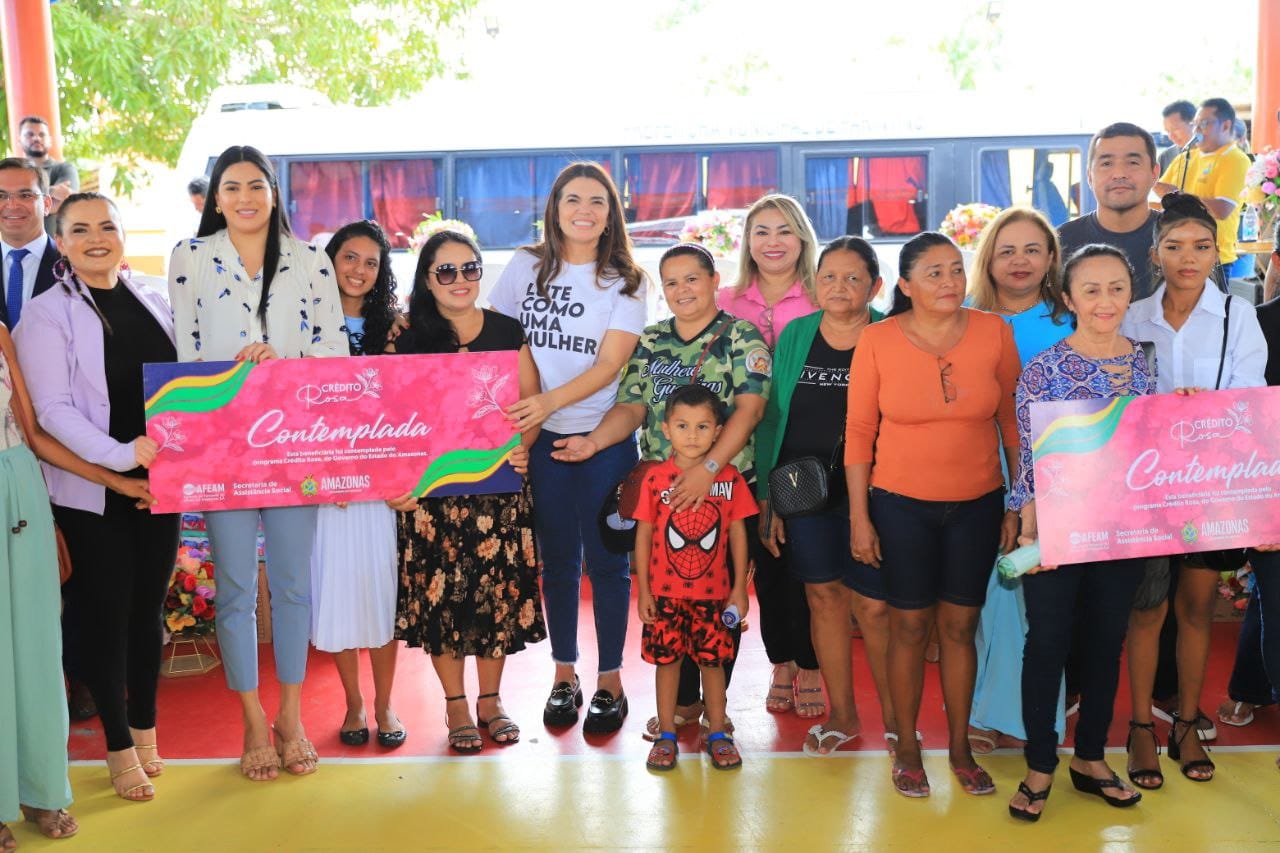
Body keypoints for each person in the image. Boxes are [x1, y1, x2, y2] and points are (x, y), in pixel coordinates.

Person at [168, 145, 347, 781]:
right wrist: (230, 375)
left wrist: (285, 369)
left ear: (273, 193)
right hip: (224, 446)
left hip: (295, 442)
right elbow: (183, 356)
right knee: (238, 588)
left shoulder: (310, 260)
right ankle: (251, 719)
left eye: (256, 186)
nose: (245, 197)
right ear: (214, 197)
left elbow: (334, 354)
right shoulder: (190, 258)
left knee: (295, 585)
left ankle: (291, 716)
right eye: (232, 186)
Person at [552, 241, 770, 740]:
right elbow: (631, 409)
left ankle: (712, 708)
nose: (681, 290)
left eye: (692, 278)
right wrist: (593, 442)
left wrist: (710, 466)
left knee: (717, 604)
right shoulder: (649, 341)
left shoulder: (741, 336)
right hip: (665, 499)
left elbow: (750, 409)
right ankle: (684, 704)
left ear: (715, 282)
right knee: (673, 599)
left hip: (724, 493)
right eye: (670, 282)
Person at [14, 193, 179, 803]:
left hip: (159, 485)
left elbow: (190, 384)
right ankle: (115, 743)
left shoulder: (155, 297)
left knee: (148, 613)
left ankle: (145, 727)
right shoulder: (45, 315)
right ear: (60, 242)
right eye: (79, 230)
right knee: (107, 618)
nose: (96, 237)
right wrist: (121, 457)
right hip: (93, 491)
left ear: (122, 233)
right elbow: (51, 412)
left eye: (107, 225)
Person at [845, 231, 1020, 798]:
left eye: (955, 269)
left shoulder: (996, 332)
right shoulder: (876, 340)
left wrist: (1018, 503)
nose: (949, 281)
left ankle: (962, 749)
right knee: (910, 626)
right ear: (905, 285)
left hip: (978, 504)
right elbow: (858, 435)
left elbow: (1013, 427)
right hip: (898, 506)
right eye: (934, 273)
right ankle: (907, 746)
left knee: (961, 627)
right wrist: (859, 518)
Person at [487, 162, 646, 735]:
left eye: (597, 201)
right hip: (540, 436)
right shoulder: (525, 266)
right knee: (557, 563)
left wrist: (550, 405)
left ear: (611, 213)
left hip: (603, 438)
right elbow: (499, 343)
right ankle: (564, 676)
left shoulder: (627, 279)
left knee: (608, 564)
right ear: (554, 207)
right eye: (572, 198)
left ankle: (610, 681)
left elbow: (610, 366)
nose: (584, 209)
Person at [1120, 192, 1267, 786]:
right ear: (1156, 254)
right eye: (1175, 246)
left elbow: (1249, 401)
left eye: (1201, 247)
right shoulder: (1131, 315)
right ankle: (1138, 729)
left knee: (1196, 608)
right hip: (1145, 488)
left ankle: (1184, 722)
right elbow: (1117, 396)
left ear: (1215, 253)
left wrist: (1202, 411)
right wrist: (1158, 412)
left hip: (1208, 486)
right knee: (1147, 610)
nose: (1189, 257)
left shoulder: (1238, 316)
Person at [1005, 244, 1152, 821]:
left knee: (1104, 644)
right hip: (1058, 535)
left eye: (1116, 287)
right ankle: (1041, 764)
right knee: (1046, 645)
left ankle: (1091, 758)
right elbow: (1032, 463)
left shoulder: (1142, 362)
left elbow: (1148, 448)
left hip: (1122, 533)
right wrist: (1029, 538)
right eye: (1090, 289)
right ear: (1067, 299)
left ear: (1130, 292)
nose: (1104, 300)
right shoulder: (1044, 368)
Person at [0, 321, 155, 843]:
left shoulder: (0, 333)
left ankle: (41, 788)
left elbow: (36, 436)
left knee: (39, 649)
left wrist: (116, 481)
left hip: (20, 493)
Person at [390, 229, 544, 751]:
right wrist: (398, 482)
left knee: (494, 597)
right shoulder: (406, 335)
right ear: (427, 279)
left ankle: (491, 700)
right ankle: (456, 704)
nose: (460, 280)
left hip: (497, 492)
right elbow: (387, 418)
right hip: (432, 500)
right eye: (447, 271)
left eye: (470, 268)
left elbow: (531, 403)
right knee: (442, 601)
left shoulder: (506, 329)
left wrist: (523, 446)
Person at [755, 236, 895, 755]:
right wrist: (771, 501)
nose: (840, 287)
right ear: (815, 284)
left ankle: (898, 720)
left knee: (875, 608)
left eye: (854, 277)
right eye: (829, 276)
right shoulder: (796, 335)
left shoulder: (890, 332)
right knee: (823, 597)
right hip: (802, 492)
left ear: (874, 286)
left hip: (876, 492)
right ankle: (843, 714)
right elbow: (772, 421)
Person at [964, 207, 1072, 756]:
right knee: (986, 599)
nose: (1020, 260)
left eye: (1032, 249)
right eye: (1007, 250)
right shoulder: (962, 317)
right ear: (989, 258)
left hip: (1053, 475)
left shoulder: (1072, 319)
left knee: (1037, 602)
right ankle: (984, 710)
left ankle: (1033, 719)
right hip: (976, 471)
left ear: (1051, 257)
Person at [717, 193, 824, 717]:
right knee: (768, 565)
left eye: (784, 230)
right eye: (761, 231)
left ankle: (811, 665)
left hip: (809, 449)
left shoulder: (823, 296)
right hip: (743, 451)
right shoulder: (724, 300)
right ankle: (781, 660)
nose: (773, 242)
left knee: (810, 565)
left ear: (802, 237)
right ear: (748, 242)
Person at [309, 220, 405, 749]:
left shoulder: (397, 328)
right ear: (330, 259)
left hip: (383, 485)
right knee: (339, 594)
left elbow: (413, 407)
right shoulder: (302, 326)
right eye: (350, 257)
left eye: (371, 262)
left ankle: (387, 702)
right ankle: (353, 702)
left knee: (381, 594)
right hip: (326, 486)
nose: (359, 270)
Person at [636, 383, 754, 771]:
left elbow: (738, 532)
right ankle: (666, 734)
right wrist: (644, 592)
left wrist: (739, 589)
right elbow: (644, 534)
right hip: (666, 595)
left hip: (714, 595)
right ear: (666, 429)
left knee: (713, 663)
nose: (692, 435)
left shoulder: (729, 479)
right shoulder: (654, 479)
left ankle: (717, 731)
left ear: (719, 432)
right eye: (682, 426)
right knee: (666, 663)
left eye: (703, 427)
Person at [1059, 123, 1162, 301]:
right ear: (1089, 176)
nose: (1119, 174)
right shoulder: (1060, 242)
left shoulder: (1183, 239)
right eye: (1106, 163)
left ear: (1154, 173)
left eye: (1133, 162)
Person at [1156, 99, 1253, 281]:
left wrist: (1182, 199)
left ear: (1225, 125)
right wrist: (1147, 175)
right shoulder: (1186, 157)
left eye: (1204, 124)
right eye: (1195, 124)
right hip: (1178, 253)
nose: (1197, 130)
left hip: (1213, 258)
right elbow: (1165, 192)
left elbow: (1222, 209)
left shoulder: (1235, 159)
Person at [0, 158, 61, 328]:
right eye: (1, 196)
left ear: (47, 204)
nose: (11, 205)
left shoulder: (73, 265)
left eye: (25, 195)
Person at [15, 118, 78, 237]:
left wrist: (21, 199)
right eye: (30, 134)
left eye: (41, 134)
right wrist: (52, 191)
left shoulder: (65, 169)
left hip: (60, 248)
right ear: (19, 141)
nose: (36, 138)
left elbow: (66, 203)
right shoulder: (11, 175)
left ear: (49, 140)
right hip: (18, 249)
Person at [1157, 101, 1197, 174]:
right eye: (1168, 131)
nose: (1171, 137)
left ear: (1194, 124)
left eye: (1175, 129)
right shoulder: (1165, 157)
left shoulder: (1213, 155)